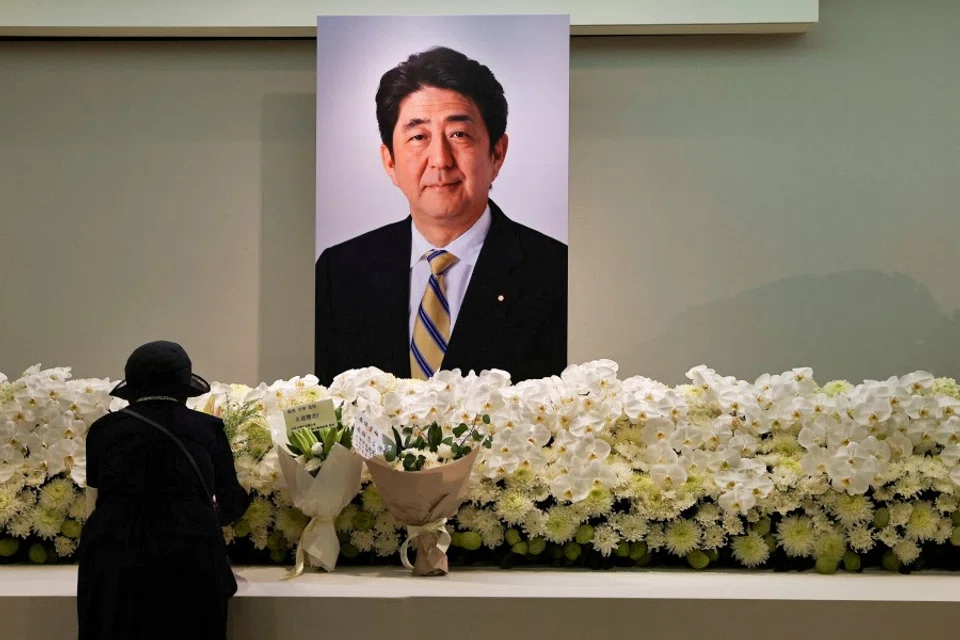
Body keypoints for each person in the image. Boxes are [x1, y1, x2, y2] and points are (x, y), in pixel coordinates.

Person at [314, 46, 568, 387]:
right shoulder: (339, 272)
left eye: (459, 135)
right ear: (389, 161)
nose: (440, 159)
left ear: (496, 153)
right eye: (418, 137)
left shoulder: (556, 272)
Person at [77, 340, 250, 640]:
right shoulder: (207, 430)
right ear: (184, 385)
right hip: (190, 555)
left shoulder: (104, 431)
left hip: (114, 558)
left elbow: (96, 500)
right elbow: (232, 503)